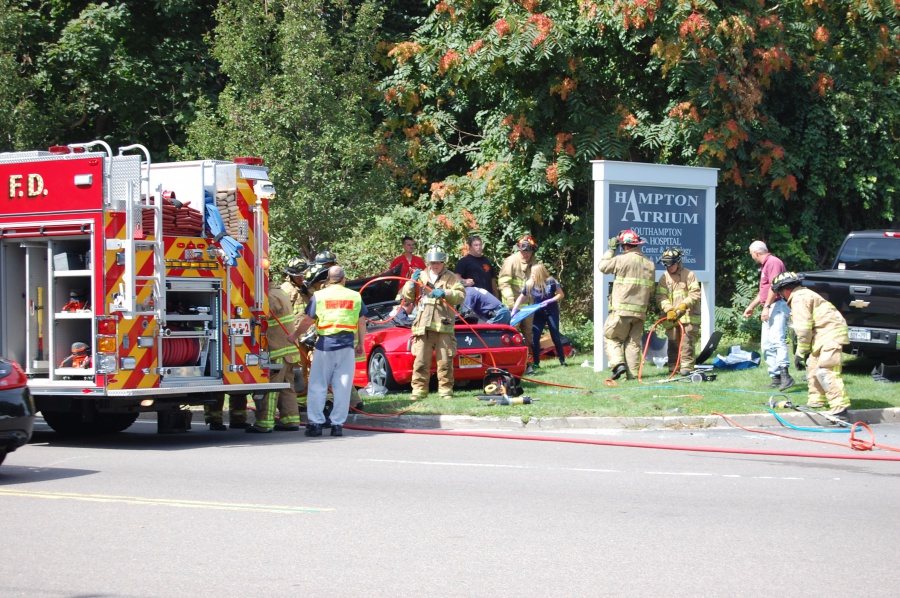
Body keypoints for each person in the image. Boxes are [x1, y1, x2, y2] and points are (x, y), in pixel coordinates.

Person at [295, 266, 367, 437]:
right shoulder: (354, 296)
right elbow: (362, 322)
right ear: (343, 279)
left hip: (325, 345)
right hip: (347, 346)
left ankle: (316, 424)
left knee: (318, 385)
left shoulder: (319, 296)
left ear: (328, 279)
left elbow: (307, 320)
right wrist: (361, 344)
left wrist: (295, 335)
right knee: (342, 386)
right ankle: (337, 425)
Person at [772, 271, 851, 419]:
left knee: (825, 371)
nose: (782, 296)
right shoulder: (803, 294)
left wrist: (801, 352)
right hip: (821, 335)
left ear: (786, 289)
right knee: (812, 367)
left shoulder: (798, 299)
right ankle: (816, 402)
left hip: (830, 334)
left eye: (780, 293)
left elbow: (803, 328)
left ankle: (840, 410)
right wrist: (806, 353)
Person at [401, 245, 465, 400]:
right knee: (421, 361)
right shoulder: (420, 276)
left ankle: (445, 391)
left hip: (444, 326)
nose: (435, 266)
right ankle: (419, 391)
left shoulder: (451, 277)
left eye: (438, 262)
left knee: (445, 362)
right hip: (423, 326)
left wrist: (446, 293)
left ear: (443, 262)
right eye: (432, 263)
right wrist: (411, 283)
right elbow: (407, 297)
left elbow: (461, 295)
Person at [598, 229, 655, 380]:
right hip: (640, 312)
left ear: (624, 246)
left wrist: (611, 250)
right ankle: (633, 375)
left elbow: (602, 267)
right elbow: (651, 289)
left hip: (621, 310)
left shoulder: (621, 259)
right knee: (633, 343)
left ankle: (618, 364)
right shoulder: (650, 264)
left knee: (611, 337)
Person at [247, 284, 303, 433]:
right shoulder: (282, 293)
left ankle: (265, 423)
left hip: (278, 350)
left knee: (271, 389)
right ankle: (290, 421)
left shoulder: (270, 297)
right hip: (289, 352)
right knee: (287, 388)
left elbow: (260, 315)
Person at [742, 240, 794, 391]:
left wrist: (767, 307)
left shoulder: (773, 263)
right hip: (770, 306)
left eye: (752, 254)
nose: (752, 257)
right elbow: (764, 291)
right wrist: (751, 306)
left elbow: (775, 287)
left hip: (777, 306)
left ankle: (786, 376)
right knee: (766, 345)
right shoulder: (765, 265)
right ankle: (776, 377)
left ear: (756, 253)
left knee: (777, 340)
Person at [655, 247, 701, 375]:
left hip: (688, 317)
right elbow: (660, 296)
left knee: (686, 343)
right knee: (673, 343)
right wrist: (669, 310)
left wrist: (683, 306)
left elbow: (695, 294)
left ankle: (686, 368)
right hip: (672, 318)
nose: (669, 268)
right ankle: (673, 368)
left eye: (671, 265)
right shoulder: (664, 278)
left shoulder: (689, 275)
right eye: (666, 265)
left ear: (678, 262)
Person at [511, 264, 566, 368]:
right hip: (539, 312)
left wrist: (549, 301)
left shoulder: (550, 281)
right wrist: (514, 310)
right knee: (535, 338)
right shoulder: (530, 284)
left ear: (540, 274)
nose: (532, 276)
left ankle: (562, 360)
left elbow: (561, 294)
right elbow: (521, 297)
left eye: (533, 274)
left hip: (552, 312)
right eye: (531, 274)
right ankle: (536, 362)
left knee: (555, 336)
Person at [499, 235, 538, 373]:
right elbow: (504, 283)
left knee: (528, 335)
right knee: (512, 335)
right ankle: (510, 364)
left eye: (529, 251)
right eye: (523, 251)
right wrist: (511, 302)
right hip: (513, 307)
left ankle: (527, 364)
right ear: (519, 250)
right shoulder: (511, 261)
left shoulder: (534, 261)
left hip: (528, 306)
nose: (526, 254)